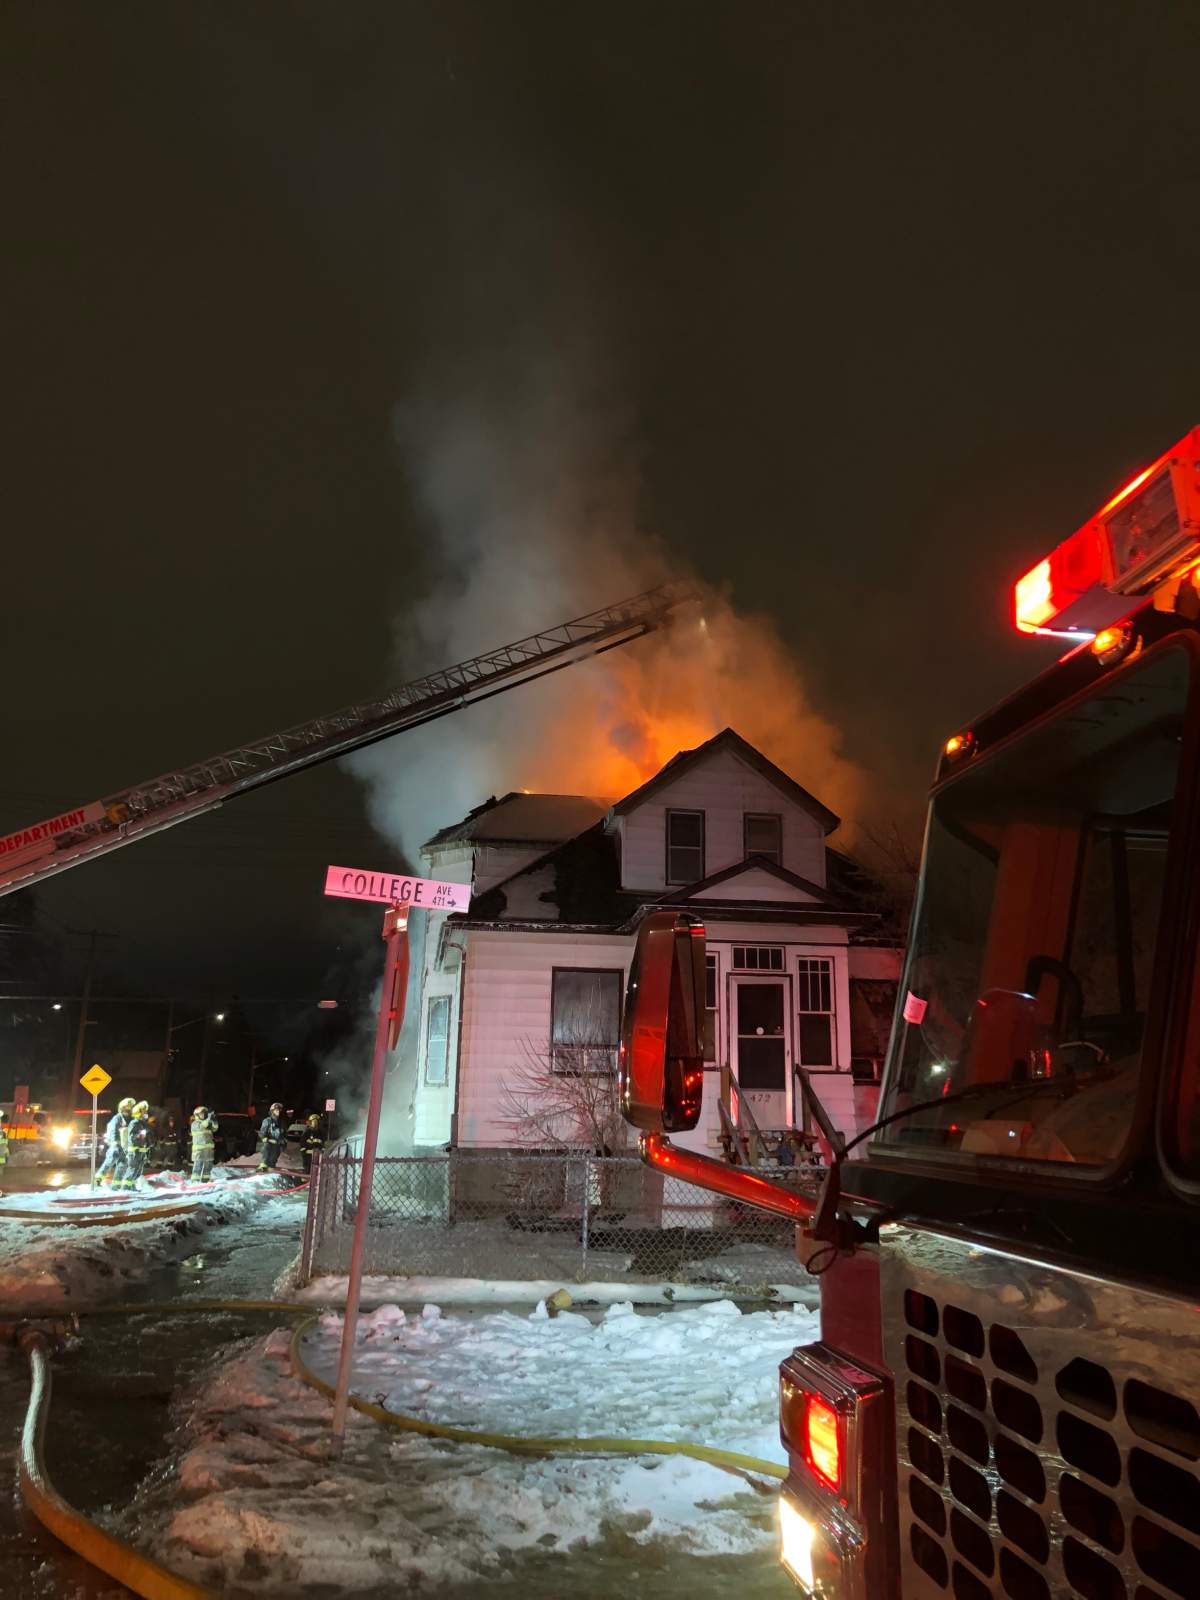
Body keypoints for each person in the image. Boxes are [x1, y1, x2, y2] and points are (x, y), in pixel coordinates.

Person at [97, 1097, 135, 1187]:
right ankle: (97, 1179)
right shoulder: (117, 1118)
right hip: (116, 1146)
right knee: (109, 1162)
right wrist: (114, 1142)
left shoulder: (129, 1119)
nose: (129, 1109)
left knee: (123, 1164)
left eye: (130, 1107)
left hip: (124, 1147)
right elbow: (113, 1130)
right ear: (122, 1107)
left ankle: (116, 1183)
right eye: (128, 1106)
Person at [119, 1101, 153, 1191]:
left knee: (138, 1171)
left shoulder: (142, 1123)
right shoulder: (134, 1123)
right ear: (139, 1112)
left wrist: (149, 1143)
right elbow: (132, 1137)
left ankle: (131, 1186)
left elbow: (146, 1136)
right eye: (144, 1111)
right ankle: (125, 1187)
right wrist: (140, 1135)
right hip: (135, 1151)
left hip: (141, 1151)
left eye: (145, 1111)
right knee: (132, 1169)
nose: (145, 1113)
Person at [190, 1106, 219, 1183]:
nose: (203, 1115)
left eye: (204, 1114)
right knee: (198, 1166)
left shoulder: (206, 1123)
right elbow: (202, 1126)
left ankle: (205, 1181)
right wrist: (209, 1118)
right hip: (199, 1150)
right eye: (201, 1114)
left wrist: (214, 1120)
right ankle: (195, 1182)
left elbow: (215, 1128)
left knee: (208, 1166)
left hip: (208, 1150)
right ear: (197, 1115)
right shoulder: (195, 1124)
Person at [258, 1103, 285, 1171]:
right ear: (272, 1111)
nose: (278, 1112)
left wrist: (283, 1142)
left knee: (272, 1164)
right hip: (268, 1146)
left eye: (279, 1110)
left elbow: (283, 1134)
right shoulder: (267, 1121)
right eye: (276, 1110)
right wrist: (269, 1140)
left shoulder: (281, 1122)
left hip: (277, 1147)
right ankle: (262, 1167)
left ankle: (270, 1170)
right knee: (265, 1161)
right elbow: (262, 1134)